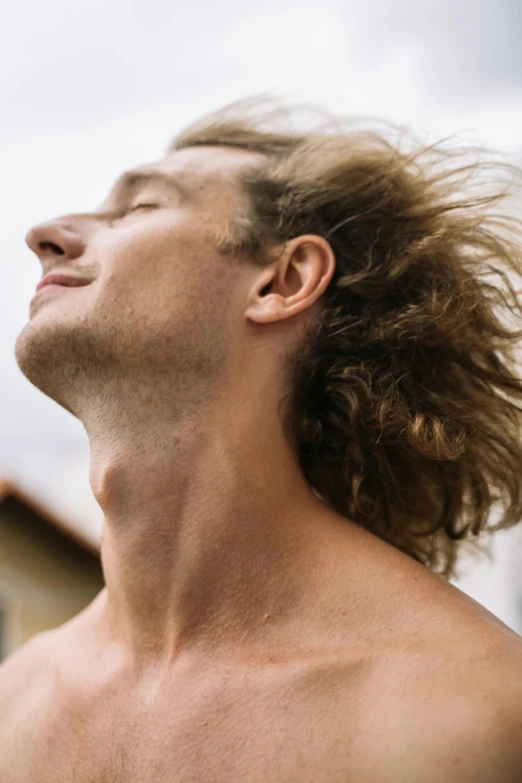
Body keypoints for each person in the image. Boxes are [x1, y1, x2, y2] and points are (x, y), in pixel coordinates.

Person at [2, 98, 522, 782]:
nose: (45, 232)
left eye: (138, 208)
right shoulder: (15, 698)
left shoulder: (472, 717)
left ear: (284, 279)